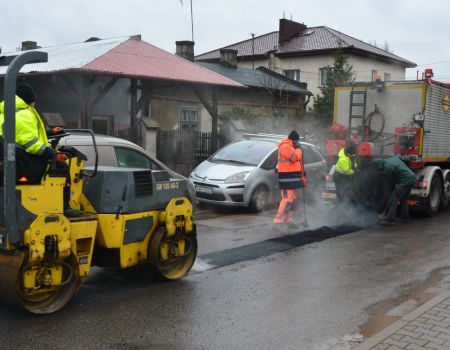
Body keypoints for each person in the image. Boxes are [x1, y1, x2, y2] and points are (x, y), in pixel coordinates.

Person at [273, 130, 306, 225]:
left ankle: (288, 218)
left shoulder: (290, 147)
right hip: (287, 178)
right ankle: (278, 219)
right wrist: (299, 149)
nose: (297, 143)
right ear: (294, 140)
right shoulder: (285, 147)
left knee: (292, 199)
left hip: (292, 178)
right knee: (287, 199)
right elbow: (295, 157)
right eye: (297, 141)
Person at [372, 156, 416, 225]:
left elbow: (391, 184)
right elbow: (404, 158)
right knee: (403, 199)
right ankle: (405, 218)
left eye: (378, 170)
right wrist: (409, 159)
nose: (379, 172)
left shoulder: (387, 170)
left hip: (405, 181)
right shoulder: (392, 159)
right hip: (412, 177)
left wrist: (391, 193)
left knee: (393, 198)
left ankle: (390, 219)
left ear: (379, 166)